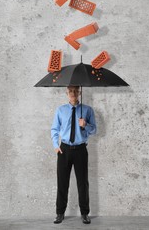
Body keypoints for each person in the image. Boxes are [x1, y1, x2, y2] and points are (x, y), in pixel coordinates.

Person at [51, 86, 97, 224]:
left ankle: (84, 213)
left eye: (76, 91)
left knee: (83, 183)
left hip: (80, 150)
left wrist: (85, 125)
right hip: (64, 149)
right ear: (67, 93)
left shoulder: (87, 110)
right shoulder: (61, 110)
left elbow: (94, 130)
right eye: (70, 91)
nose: (73, 93)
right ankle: (60, 213)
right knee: (62, 182)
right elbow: (54, 128)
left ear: (80, 92)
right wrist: (55, 145)